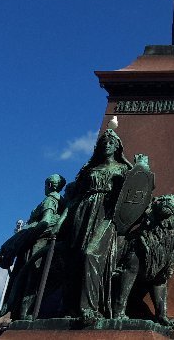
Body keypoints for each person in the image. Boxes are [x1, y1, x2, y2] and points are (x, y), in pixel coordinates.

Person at [62, 130, 132, 323]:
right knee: (75, 257)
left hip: (106, 213)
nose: (106, 145)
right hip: (83, 211)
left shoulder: (122, 169)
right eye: (104, 142)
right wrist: (61, 222)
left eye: (110, 142)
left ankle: (91, 307)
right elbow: (74, 197)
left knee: (90, 254)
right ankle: (69, 307)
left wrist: (139, 166)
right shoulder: (90, 168)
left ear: (117, 147)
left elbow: (136, 188)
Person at [0, 174, 67, 320]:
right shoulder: (63, 202)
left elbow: (45, 221)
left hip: (38, 242)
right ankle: (25, 314)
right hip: (46, 242)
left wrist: (27, 235)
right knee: (36, 279)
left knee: (31, 279)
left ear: (50, 185)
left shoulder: (50, 200)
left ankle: (23, 315)